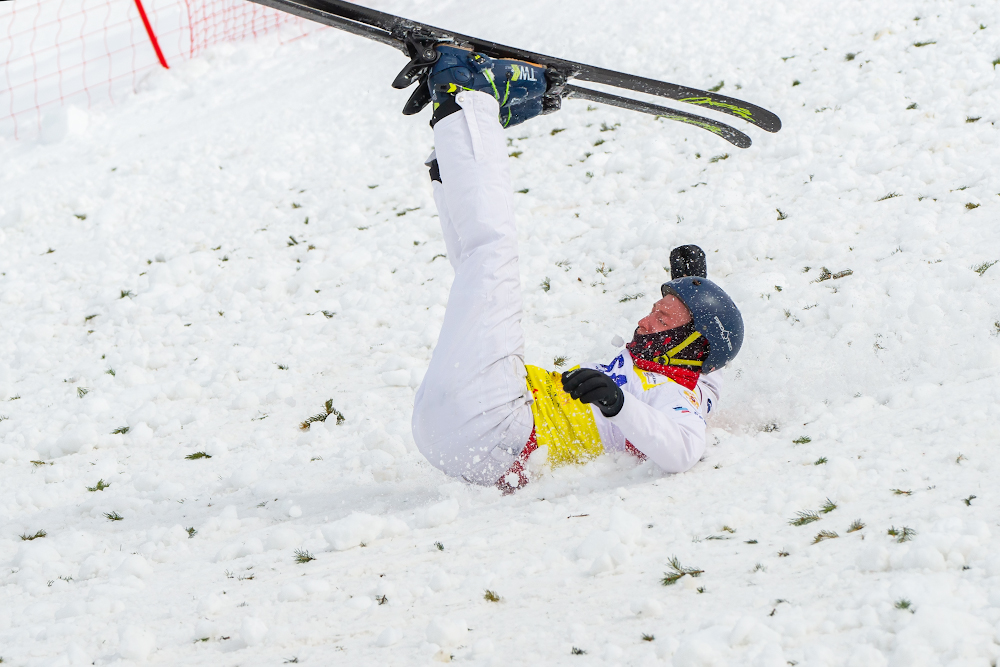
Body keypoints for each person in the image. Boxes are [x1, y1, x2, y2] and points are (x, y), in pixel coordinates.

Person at [410, 46, 744, 493]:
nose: (646, 320)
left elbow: (683, 449)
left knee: (492, 255)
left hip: (500, 429)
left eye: (663, 319)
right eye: (655, 309)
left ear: (687, 344)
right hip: (461, 433)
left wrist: (617, 402)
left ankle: (466, 100)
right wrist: (693, 284)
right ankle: (459, 136)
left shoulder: (673, 395)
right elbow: (712, 363)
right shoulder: (691, 377)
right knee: (475, 268)